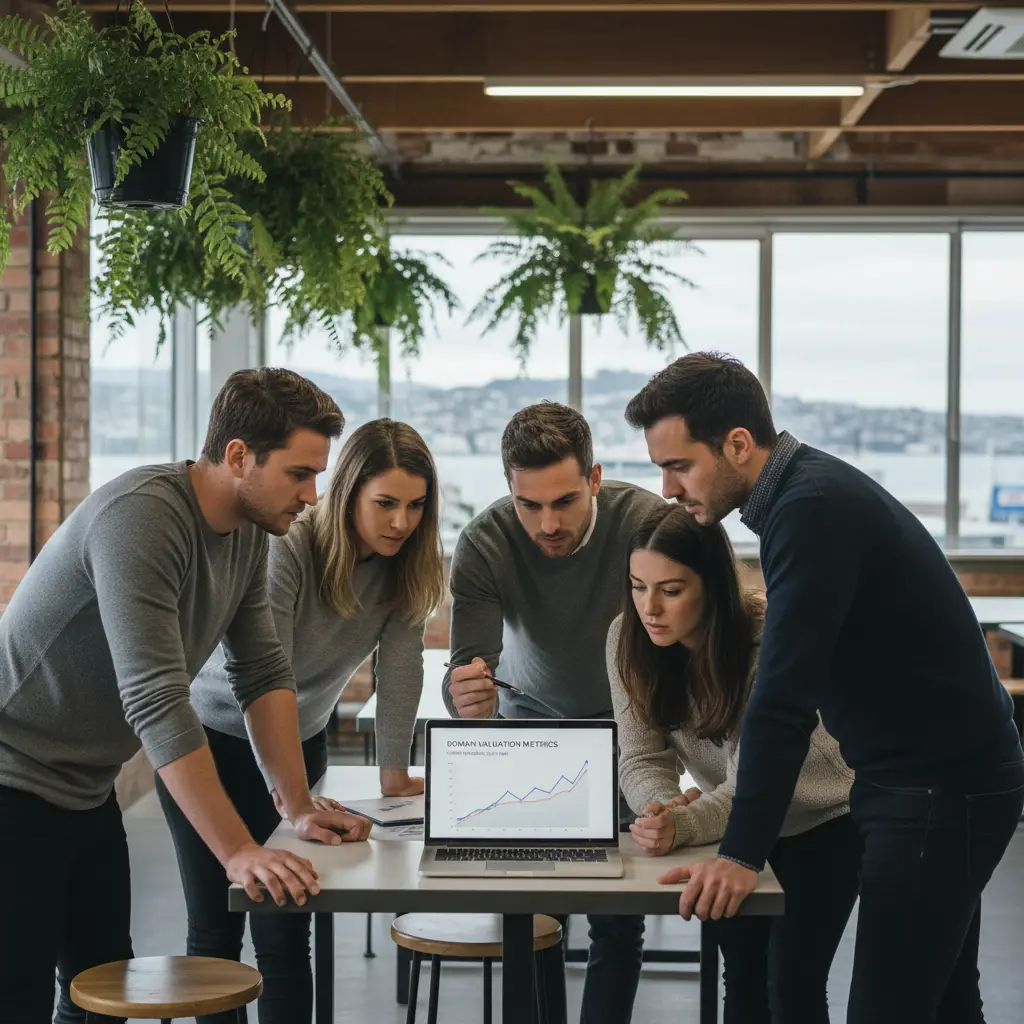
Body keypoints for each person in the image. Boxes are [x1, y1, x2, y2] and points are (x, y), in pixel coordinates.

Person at [625, 352, 1024, 1024]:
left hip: (940, 789)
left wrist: (742, 854)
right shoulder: (804, 497)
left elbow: (784, 695)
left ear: (738, 445)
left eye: (679, 464)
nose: (666, 487)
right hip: (919, 778)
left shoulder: (810, 512)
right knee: (948, 1003)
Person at [0, 368, 372, 1024]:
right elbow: (155, 697)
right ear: (237, 456)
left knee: (100, 989)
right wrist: (238, 851)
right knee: (20, 998)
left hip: (84, 789)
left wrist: (296, 805)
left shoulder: (250, 533)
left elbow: (260, 670)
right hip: (11, 781)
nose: (313, 496)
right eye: (299, 474)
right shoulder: (143, 516)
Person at [161, 418, 445, 1024]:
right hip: (211, 742)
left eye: (416, 505)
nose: (402, 522)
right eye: (386, 504)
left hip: (302, 743)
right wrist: (292, 798)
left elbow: (399, 669)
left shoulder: (407, 565)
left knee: (288, 931)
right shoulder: (287, 547)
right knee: (217, 928)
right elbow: (268, 676)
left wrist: (393, 773)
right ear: (348, 495)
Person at [442, 401, 663, 1024]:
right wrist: (464, 698)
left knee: (618, 923)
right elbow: (464, 670)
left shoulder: (648, 523)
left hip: (630, 731)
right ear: (509, 488)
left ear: (594, 478)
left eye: (564, 501)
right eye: (528, 504)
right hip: (529, 730)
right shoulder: (484, 541)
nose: (546, 523)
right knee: (536, 919)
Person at [611, 502, 858, 1023]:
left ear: (714, 584)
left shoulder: (769, 638)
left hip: (822, 821)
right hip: (733, 827)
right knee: (742, 979)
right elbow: (640, 754)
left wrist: (684, 821)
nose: (649, 608)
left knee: (792, 985)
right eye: (637, 586)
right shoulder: (626, 638)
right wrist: (659, 809)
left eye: (670, 590)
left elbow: (760, 777)